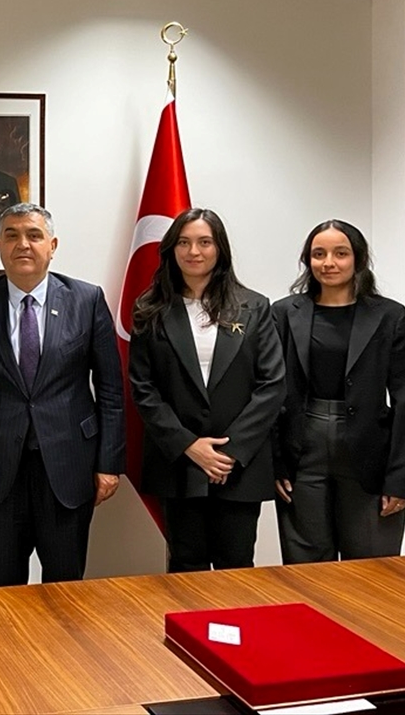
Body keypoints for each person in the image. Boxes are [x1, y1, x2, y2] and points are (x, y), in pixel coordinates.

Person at [0, 203, 125, 586]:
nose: (22, 244)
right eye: (11, 235)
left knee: (65, 588)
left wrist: (109, 464)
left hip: (69, 468)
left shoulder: (87, 300)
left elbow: (111, 390)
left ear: (52, 245)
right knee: (4, 588)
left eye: (34, 235)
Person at [128, 208, 284, 573]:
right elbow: (143, 387)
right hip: (179, 463)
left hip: (239, 466)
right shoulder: (150, 308)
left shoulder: (255, 306)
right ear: (171, 249)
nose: (193, 251)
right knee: (186, 566)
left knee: (236, 566)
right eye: (183, 242)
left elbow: (272, 384)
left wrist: (229, 453)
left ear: (219, 249)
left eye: (204, 242)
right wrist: (189, 445)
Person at [271, 220, 405, 563]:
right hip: (301, 449)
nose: (328, 263)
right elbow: (271, 392)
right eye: (318, 254)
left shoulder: (389, 316)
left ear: (358, 259)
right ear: (307, 260)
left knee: (371, 568)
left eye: (340, 253)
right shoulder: (284, 313)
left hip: (370, 452)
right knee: (307, 568)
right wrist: (275, 462)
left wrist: (400, 478)